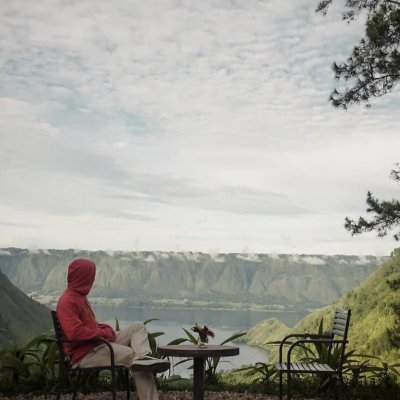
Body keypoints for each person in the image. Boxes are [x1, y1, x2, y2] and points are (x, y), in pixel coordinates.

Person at [56, 258, 169, 400]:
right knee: (133, 358)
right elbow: (74, 333)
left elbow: (90, 326)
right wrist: (103, 333)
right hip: (87, 353)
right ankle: (144, 368)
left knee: (137, 328)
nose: (93, 280)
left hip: (97, 344)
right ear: (83, 277)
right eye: (91, 276)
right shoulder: (68, 301)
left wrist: (105, 330)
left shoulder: (80, 297)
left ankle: (144, 356)